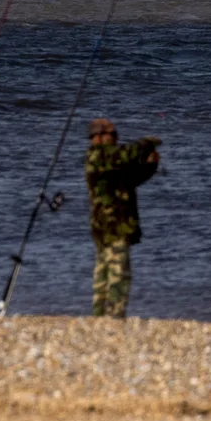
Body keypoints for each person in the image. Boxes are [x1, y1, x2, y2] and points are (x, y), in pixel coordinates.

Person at [84, 117, 160, 319]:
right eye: (113, 134)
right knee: (118, 274)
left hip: (112, 227)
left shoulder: (109, 162)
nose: (117, 138)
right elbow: (125, 154)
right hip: (111, 226)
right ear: (98, 137)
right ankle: (114, 316)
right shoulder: (98, 157)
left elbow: (131, 180)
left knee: (104, 274)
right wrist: (146, 144)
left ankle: (100, 318)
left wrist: (150, 166)